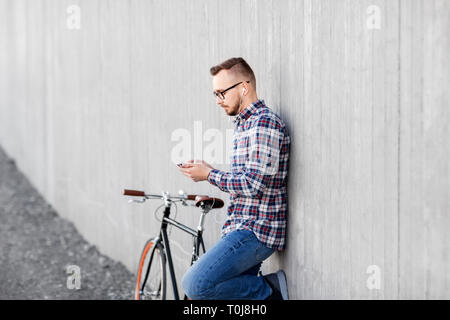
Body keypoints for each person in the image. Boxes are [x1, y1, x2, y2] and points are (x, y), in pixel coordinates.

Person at [177, 57, 290, 300]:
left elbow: (254, 184)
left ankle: (270, 291)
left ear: (244, 87)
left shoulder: (264, 124)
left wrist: (209, 175)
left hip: (257, 231)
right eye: (215, 94)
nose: (218, 100)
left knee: (195, 285)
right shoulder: (244, 125)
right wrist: (209, 170)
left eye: (221, 93)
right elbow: (244, 178)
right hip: (239, 227)